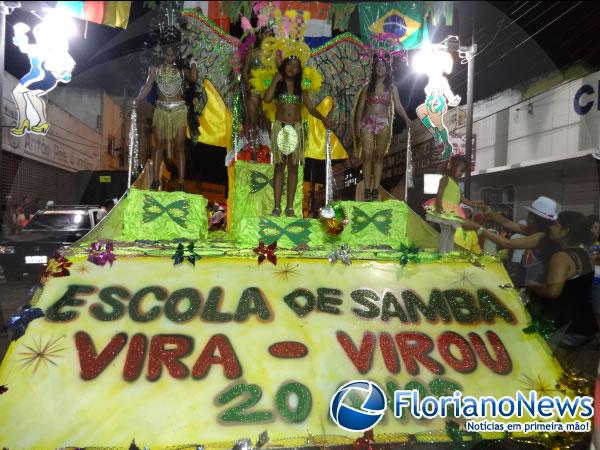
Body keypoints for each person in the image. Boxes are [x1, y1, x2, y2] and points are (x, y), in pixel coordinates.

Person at [528, 211, 598, 375]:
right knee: (563, 371)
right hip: (585, 325)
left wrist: (533, 285)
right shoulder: (586, 254)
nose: (551, 228)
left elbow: (553, 292)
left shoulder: (561, 257)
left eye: (556, 224)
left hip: (566, 328)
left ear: (565, 231)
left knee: (546, 371)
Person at [263, 56, 332, 217]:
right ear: (284, 67)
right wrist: (275, 80)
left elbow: (311, 108)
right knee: (279, 167)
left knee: (293, 168)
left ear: (299, 71)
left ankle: (289, 208)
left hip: (296, 128)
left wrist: (323, 118)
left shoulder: (301, 89)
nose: (292, 68)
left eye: (296, 66)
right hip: (280, 128)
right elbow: (266, 99)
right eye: (289, 65)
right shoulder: (278, 86)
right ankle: (276, 207)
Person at [135, 34, 197, 192]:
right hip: (161, 109)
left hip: (179, 110)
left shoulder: (182, 69)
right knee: (158, 145)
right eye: (167, 54)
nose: (170, 57)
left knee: (179, 146)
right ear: (163, 53)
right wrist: (136, 99)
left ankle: (181, 182)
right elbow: (148, 86)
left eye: (173, 54)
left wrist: (193, 61)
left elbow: (194, 78)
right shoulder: (155, 68)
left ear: (177, 53)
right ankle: (156, 180)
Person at [354, 53, 411, 202]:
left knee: (379, 156)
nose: (380, 69)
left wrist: (407, 119)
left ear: (387, 69)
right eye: (378, 66)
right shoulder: (367, 87)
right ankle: (367, 189)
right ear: (374, 69)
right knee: (367, 155)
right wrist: (357, 126)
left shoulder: (392, 88)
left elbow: (398, 106)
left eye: (383, 66)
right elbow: (360, 108)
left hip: (383, 124)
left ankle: (375, 189)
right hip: (367, 123)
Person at [473, 196, 560, 286]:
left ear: (532, 219)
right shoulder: (533, 231)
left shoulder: (540, 237)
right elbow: (505, 222)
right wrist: (487, 209)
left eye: (529, 216)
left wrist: (478, 228)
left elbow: (507, 243)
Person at [423, 156, 484, 254]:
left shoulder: (456, 183)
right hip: (445, 209)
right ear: (453, 167)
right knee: (446, 231)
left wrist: (474, 204)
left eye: (463, 172)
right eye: (461, 170)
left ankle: (449, 251)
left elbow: (462, 199)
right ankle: (442, 252)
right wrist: (439, 206)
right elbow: (439, 193)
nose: (461, 173)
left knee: (452, 231)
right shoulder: (445, 179)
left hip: (453, 211)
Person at [241, 26, 274, 158]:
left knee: (269, 122)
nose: (268, 36)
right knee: (252, 121)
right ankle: (253, 150)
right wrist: (248, 86)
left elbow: (279, 73)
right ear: (259, 36)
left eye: (270, 34)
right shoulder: (252, 52)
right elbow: (244, 70)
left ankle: (272, 151)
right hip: (253, 91)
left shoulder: (275, 55)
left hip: (268, 93)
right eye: (265, 33)